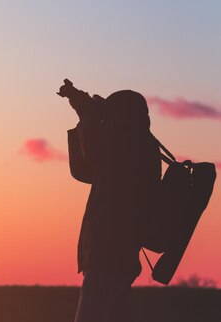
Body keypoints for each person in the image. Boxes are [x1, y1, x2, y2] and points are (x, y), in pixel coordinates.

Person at [62, 84, 161, 322]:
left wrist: (88, 116)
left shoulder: (128, 146)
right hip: (118, 253)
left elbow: (91, 158)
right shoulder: (140, 145)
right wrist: (85, 112)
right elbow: (86, 169)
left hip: (108, 251)